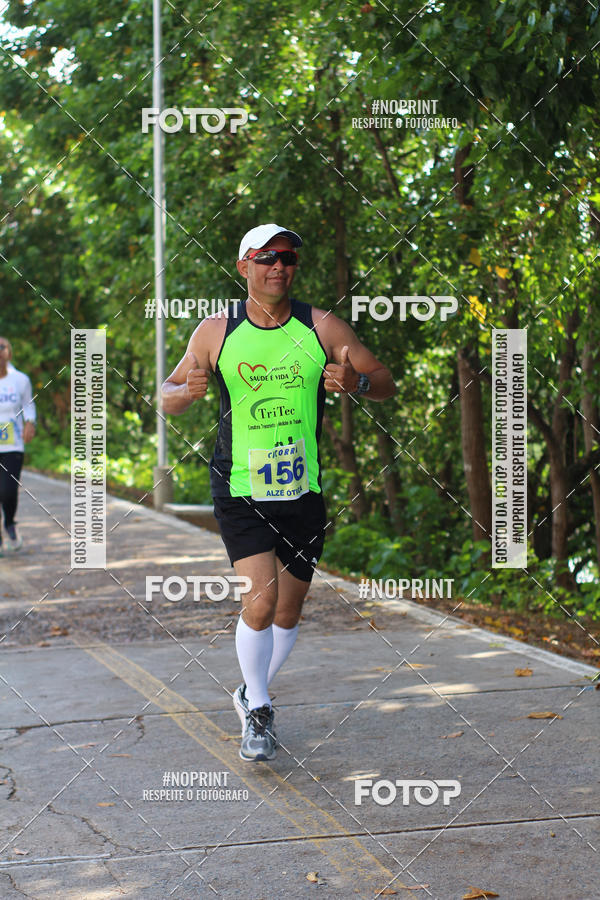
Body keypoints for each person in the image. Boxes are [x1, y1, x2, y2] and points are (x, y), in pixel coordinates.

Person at [161, 223, 395, 761]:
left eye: (287, 258)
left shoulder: (322, 327)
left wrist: (356, 384)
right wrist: (184, 392)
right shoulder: (216, 331)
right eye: (266, 257)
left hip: (301, 487)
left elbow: (383, 379)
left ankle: (248, 689)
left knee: (288, 612)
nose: (278, 266)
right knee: (261, 602)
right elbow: (168, 393)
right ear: (243, 266)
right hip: (238, 484)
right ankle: (260, 709)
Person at [0, 337, 36, 555]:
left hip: (12, 444)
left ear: (9, 353)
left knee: (7, 490)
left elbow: (28, 406)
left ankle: (10, 523)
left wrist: (30, 423)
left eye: (2, 347)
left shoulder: (20, 380)